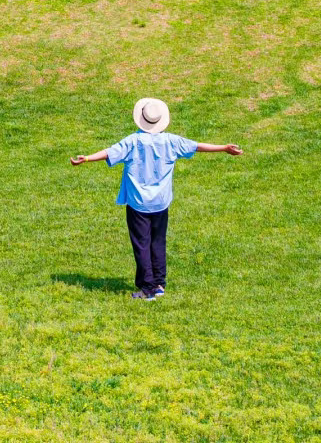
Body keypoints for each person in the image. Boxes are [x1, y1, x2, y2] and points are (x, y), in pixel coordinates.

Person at [71, 97, 242, 300]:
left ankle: (147, 289)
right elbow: (196, 146)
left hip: (138, 204)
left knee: (142, 244)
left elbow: (109, 153)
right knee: (158, 242)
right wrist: (223, 148)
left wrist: (87, 158)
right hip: (161, 202)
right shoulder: (171, 141)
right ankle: (159, 284)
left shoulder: (133, 142)